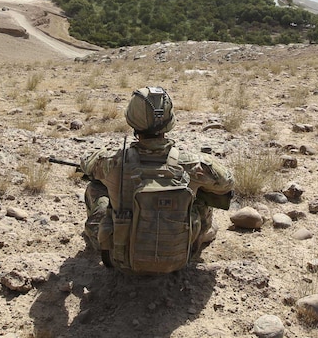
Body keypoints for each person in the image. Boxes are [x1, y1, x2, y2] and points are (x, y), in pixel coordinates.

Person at [80, 86, 234, 273]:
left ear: (131, 120)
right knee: (202, 194)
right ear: (169, 122)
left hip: (120, 259)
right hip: (181, 257)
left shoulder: (111, 161)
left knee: (95, 186)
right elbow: (227, 182)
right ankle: (197, 236)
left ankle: (98, 237)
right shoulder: (193, 163)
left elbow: (86, 165)